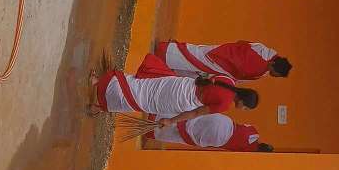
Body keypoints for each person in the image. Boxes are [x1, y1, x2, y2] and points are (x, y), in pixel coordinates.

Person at [89, 52, 259, 123]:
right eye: (246, 108)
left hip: (181, 84)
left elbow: (204, 77)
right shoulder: (225, 105)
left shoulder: (228, 80)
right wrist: (171, 121)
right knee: (141, 101)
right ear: (243, 102)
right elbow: (196, 113)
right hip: (179, 100)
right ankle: (99, 107)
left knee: (140, 85)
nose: (243, 109)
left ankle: (98, 81)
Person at [155, 40, 292, 82]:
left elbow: (243, 43)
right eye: (276, 73)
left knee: (195, 58)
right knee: (194, 58)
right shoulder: (261, 67)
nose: (274, 76)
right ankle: (164, 52)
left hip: (225, 54)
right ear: (273, 64)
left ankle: (165, 57)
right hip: (223, 63)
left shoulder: (263, 49)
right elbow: (242, 72)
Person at [147, 112, 273, 152]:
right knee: (182, 135)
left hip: (224, 121)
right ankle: (151, 130)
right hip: (220, 137)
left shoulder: (254, 132)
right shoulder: (251, 153)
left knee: (189, 117)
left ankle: (155, 115)